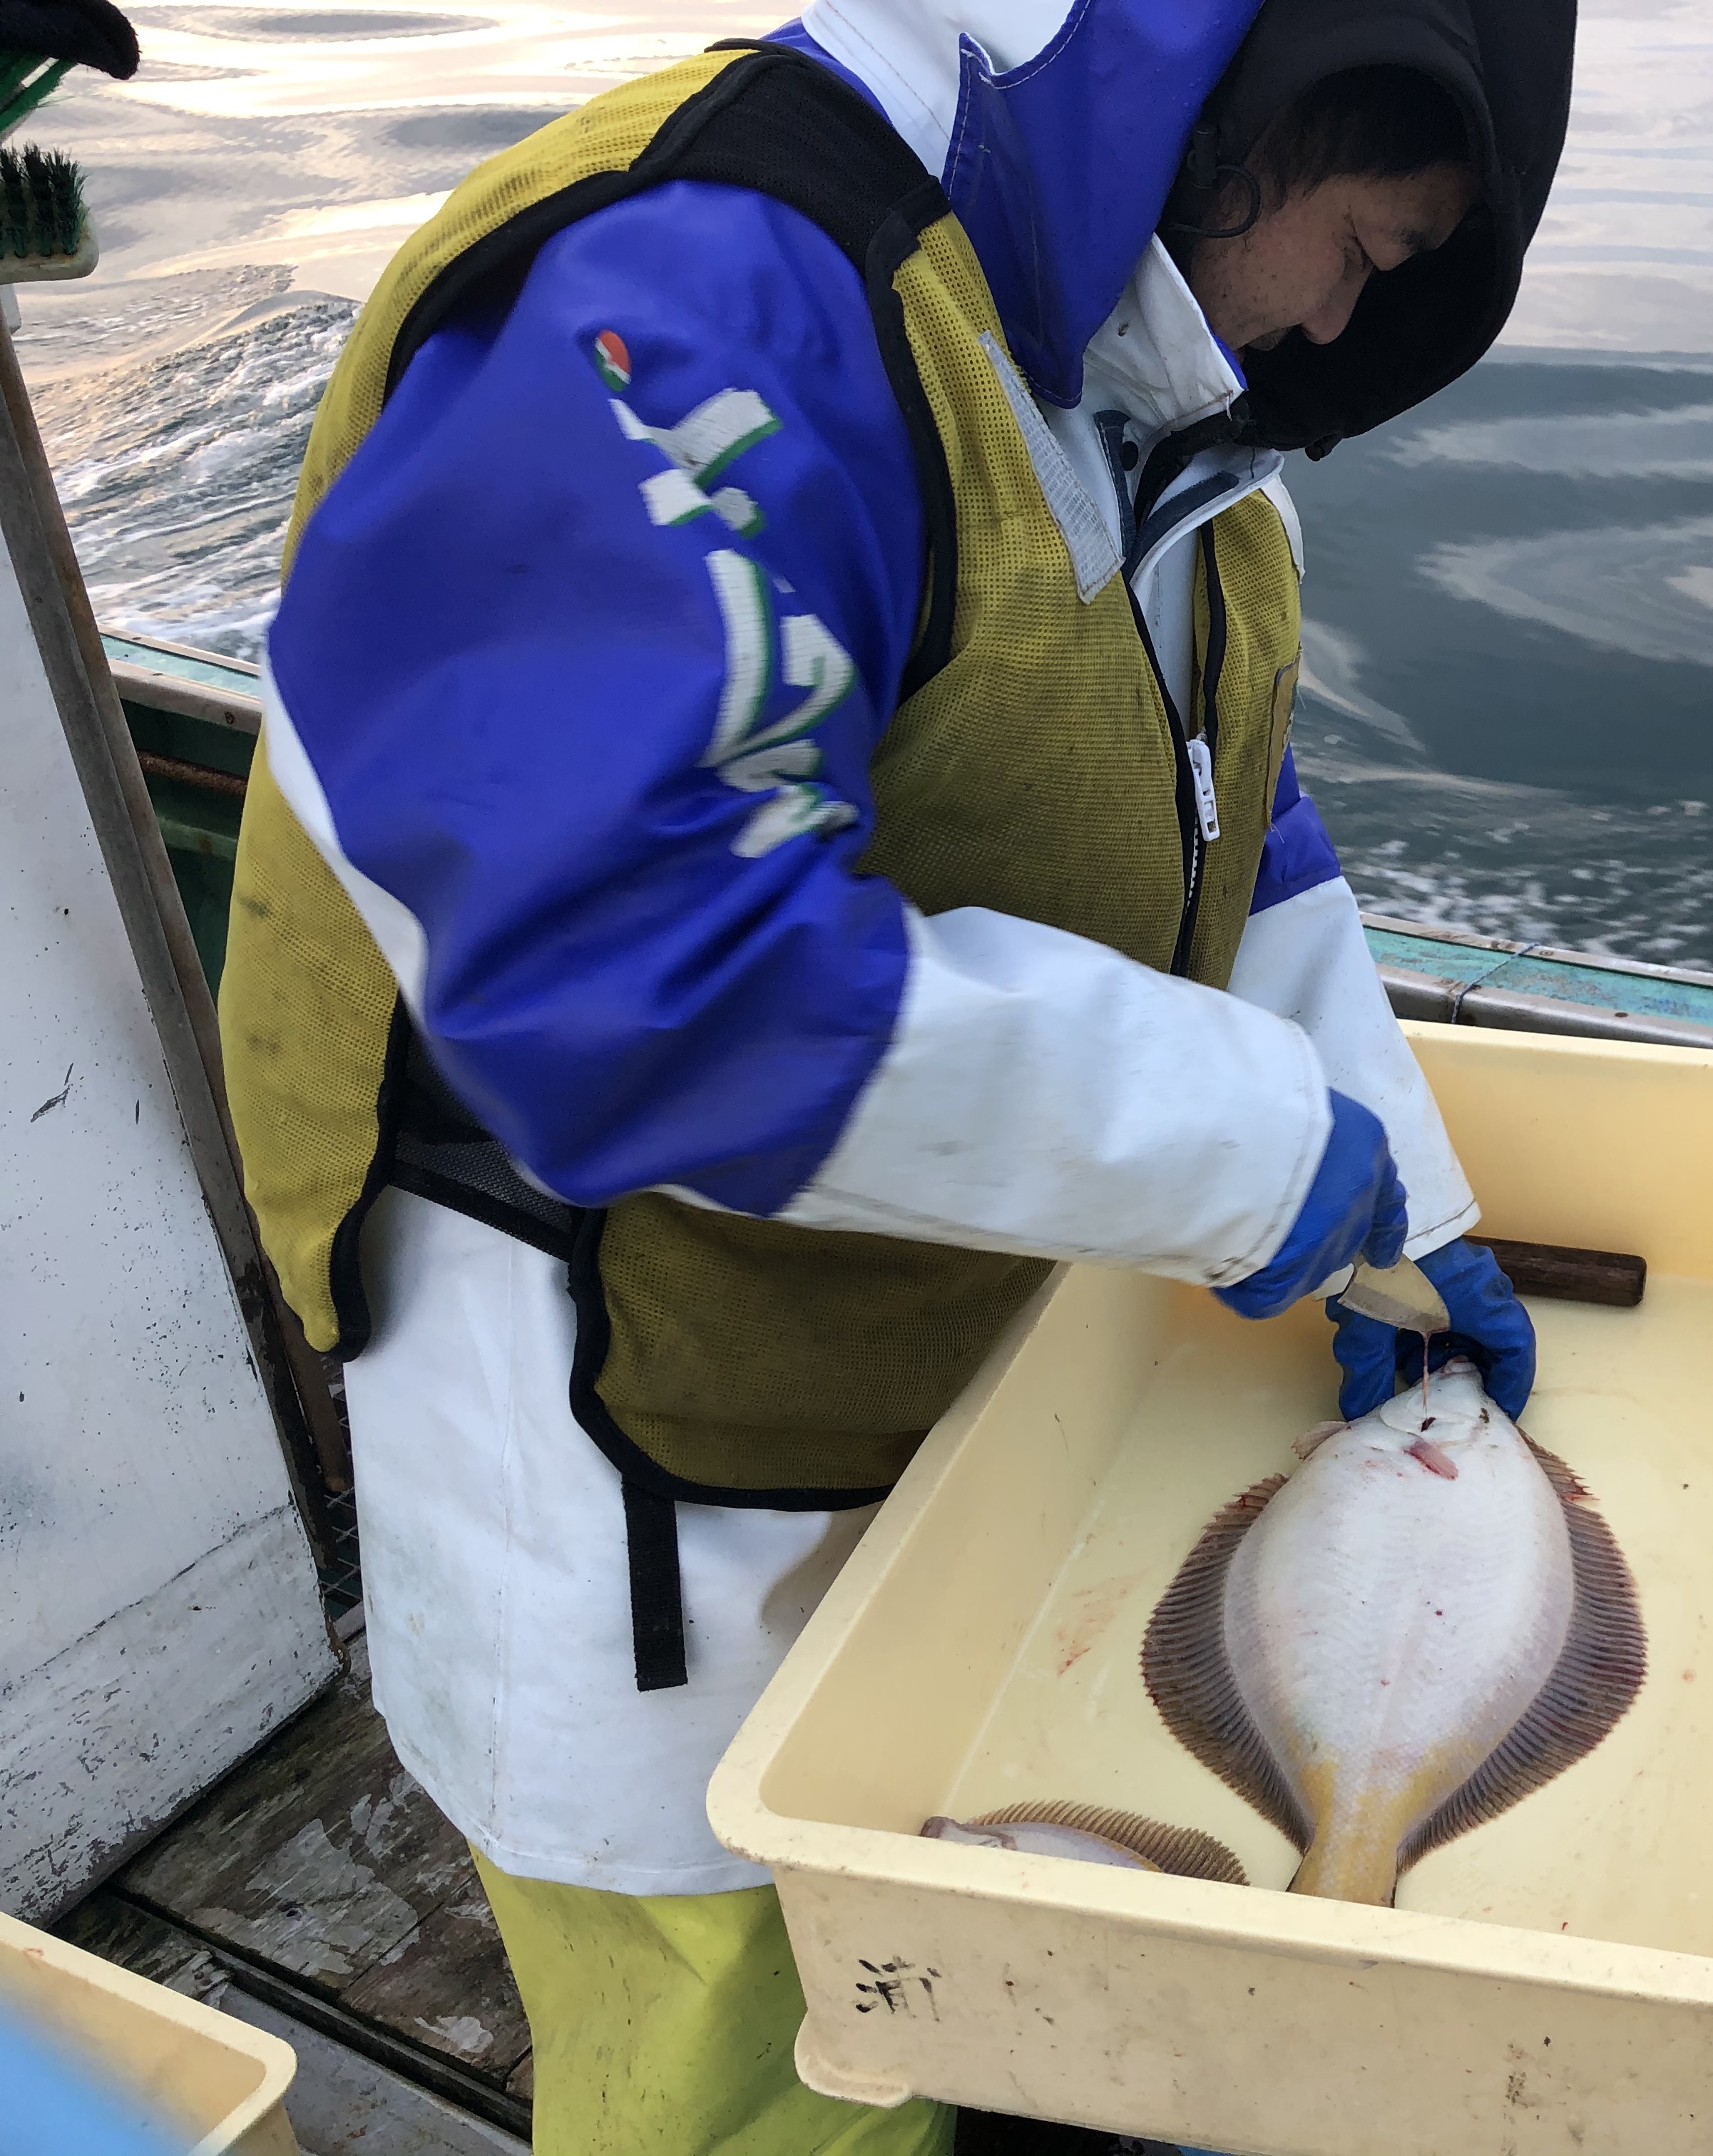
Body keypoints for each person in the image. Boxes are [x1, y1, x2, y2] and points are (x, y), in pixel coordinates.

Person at [213, 0, 1578, 2147]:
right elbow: (637, 964)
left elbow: (1235, 834)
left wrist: (1404, 1209)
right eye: (1372, 244)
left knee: (932, 1989)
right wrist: (1252, 1164)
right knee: (738, 2053)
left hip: (911, 1376)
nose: (1340, 321)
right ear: (1259, 103)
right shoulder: (704, 290)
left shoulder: (1169, 399)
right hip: (618, 1433)